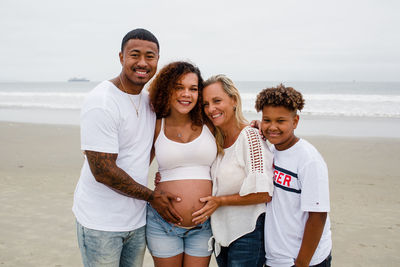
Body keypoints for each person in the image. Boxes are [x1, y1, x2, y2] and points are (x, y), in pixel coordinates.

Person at [72, 29, 181, 267]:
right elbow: (103, 171)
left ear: (157, 60)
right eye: (135, 55)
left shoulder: (148, 100)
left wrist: (250, 126)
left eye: (150, 56)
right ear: (121, 57)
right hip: (100, 223)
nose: (142, 62)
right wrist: (153, 197)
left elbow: (151, 145)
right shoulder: (102, 102)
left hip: (135, 220)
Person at [192, 74, 274, 267]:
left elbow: (263, 193)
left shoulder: (251, 137)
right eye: (205, 104)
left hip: (247, 234)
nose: (211, 109)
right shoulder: (217, 141)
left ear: (234, 100)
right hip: (222, 236)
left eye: (217, 101)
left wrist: (219, 201)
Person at [146, 61, 217, 267]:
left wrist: (256, 125)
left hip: (203, 225)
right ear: (167, 89)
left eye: (193, 89)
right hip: (162, 224)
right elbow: (137, 166)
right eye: (179, 87)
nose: (186, 94)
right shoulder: (156, 124)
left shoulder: (209, 123)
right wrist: (151, 193)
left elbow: (236, 132)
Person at [255, 84, 332, 267]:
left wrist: (301, 263)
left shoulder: (308, 159)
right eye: (267, 120)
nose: (272, 127)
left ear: (295, 121)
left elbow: (318, 215)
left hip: (304, 260)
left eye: (280, 121)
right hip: (276, 257)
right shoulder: (270, 149)